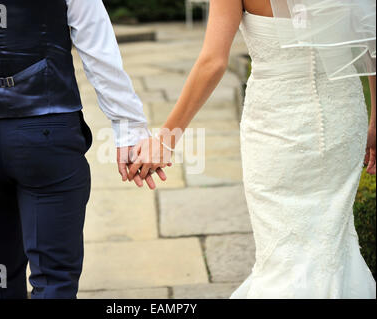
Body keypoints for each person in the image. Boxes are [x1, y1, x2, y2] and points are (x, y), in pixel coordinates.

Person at [130, 0, 377, 298]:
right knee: (334, 243)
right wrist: (376, 119)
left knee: (283, 253)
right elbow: (369, 38)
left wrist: (165, 139)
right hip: (343, 116)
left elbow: (213, 62)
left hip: (276, 125)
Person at [0, 0, 164, 299]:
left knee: (1, 266)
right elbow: (99, 50)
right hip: (49, 137)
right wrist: (129, 130)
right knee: (54, 278)